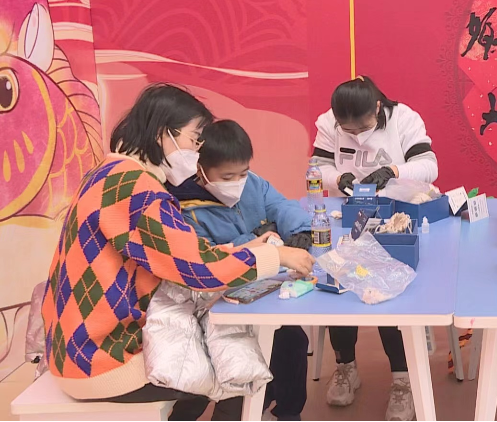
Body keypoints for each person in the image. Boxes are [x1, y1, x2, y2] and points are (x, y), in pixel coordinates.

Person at [40, 84, 315, 421]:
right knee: (239, 374)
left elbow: (181, 254)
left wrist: (243, 250)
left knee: (208, 363)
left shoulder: (109, 174)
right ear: (163, 134)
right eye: (194, 139)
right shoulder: (139, 191)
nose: (197, 151)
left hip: (71, 348)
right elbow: (199, 271)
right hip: (102, 360)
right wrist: (278, 256)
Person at [167, 120, 311, 421]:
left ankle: (287, 413)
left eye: (243, 173)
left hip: (261, 287)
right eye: (227, 177)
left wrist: (300, 230)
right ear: (200, 169)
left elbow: (280, 205)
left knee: (293, 341)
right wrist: (254, 240)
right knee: (229, 366)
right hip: (214, 302)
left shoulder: (253, 184)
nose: (237, 182)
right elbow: (208, 258)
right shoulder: (184, 208)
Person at [312, 76, 438, 421]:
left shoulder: (404, 119)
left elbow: (429, 167)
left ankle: (402, 379)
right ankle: (346, 366)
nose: (355, 135)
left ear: (378, 108)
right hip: (348, 218)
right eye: (347, 130)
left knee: (390, 294)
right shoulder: (328, 122)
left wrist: (392, 170)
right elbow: (318, 166)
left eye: (363, 128)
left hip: (396, 217)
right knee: (338, 287)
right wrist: (337, 179)